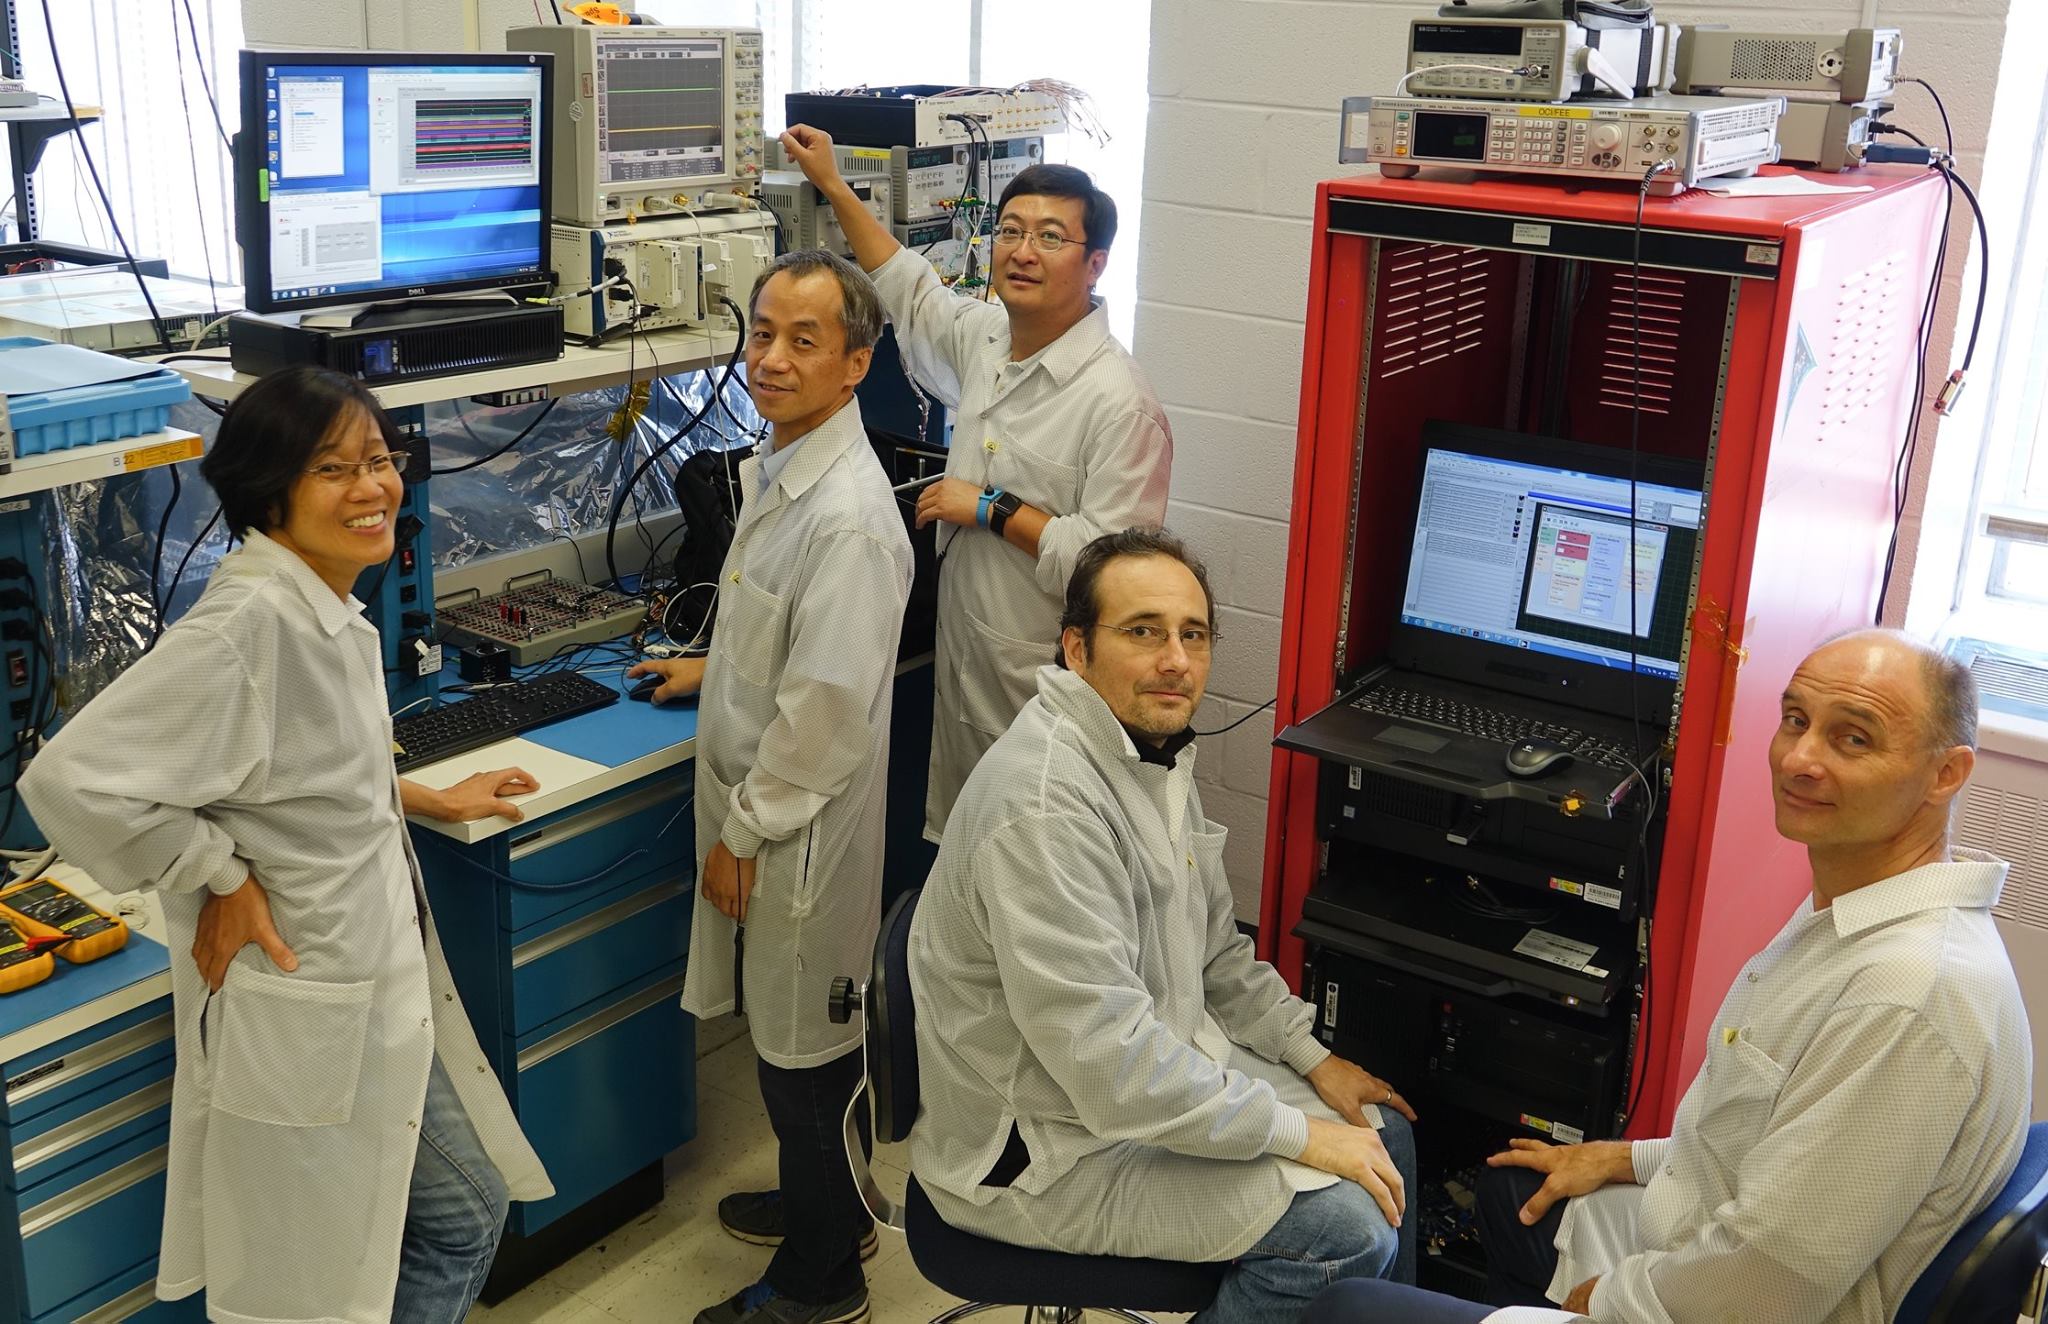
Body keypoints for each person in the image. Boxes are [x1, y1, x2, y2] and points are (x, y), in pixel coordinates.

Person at [18, 365, 553, 1323]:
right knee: (448, 1225)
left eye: (380, 461)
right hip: (316, 997)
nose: (374, 488)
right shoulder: (252, 623)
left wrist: (417, 795)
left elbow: (298, 767)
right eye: (334, 470)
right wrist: (216, 876)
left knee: (406, 1241)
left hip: (368, 991)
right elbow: (69, 781)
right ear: (271, 493)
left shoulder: (319, 606)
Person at [1305, 629, 2031, 1324]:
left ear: (1947, 774)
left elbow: (1772, 1280)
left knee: (1347, 1310)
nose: (1800, 758)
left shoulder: (1908, 995)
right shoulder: (1860, 912)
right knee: (1514, 1192)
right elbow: (1767, 1135)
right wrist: (1624, 1158)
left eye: (1853, 738)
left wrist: (1610, 1300)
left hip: (1749, 1306)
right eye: (1795, 720)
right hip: (1712, 1237)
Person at [910, 527, 1420, 1323]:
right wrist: (1297, 1135)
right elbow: (1110, 1066)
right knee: (1340, 1229)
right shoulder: (1045, 804)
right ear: (1077, 650)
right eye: (1143, 631)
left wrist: (1312, 1061)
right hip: (1043, 1154)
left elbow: (1217, 955)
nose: (1175, 660)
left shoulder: (1148, 754)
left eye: (1193, 635)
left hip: (1126, 1098)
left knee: (1384, 1137)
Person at [628, 250, 914, 1324]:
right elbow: (790, 641)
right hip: (779, 811)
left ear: (855, 361)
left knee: (806, 1055)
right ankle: (821, 1209)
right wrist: (715, 665)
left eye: (804, 340)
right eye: (760, 334)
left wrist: (742, 831)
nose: (773, 358)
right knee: (792, 1039)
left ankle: (820, 1278)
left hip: (796, 828)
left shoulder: (842, 513)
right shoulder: (783, 465)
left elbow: (823, 715)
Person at [778, 127, 1172, 842]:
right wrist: (834, 185)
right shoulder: (990, 337)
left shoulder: (1121, 404)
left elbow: (1118, 579)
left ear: (1095, 265)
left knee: (1036, 875)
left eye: (1050, 237)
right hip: (972, 673)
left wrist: (990, 507)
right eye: (1011, 230)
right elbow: (910, 286)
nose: (1022, 251)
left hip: (1048, 697)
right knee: (972, 874)